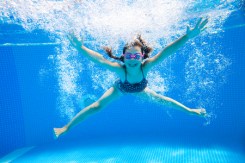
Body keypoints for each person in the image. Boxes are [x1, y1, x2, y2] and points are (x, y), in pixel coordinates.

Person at [54, 18, 208, 139]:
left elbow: (166, 52)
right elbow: (100, 59)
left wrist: (187, 37)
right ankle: (66, 127)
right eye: (129, 55)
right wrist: (81, 47)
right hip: (120, 88)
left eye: (136, 55)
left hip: (141, 89)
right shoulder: (120, 70)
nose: (132, 59)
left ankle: (189, 111)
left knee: (163, 100)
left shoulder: (145, 67)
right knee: (96, 107)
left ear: (142, 57)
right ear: (123, 57)